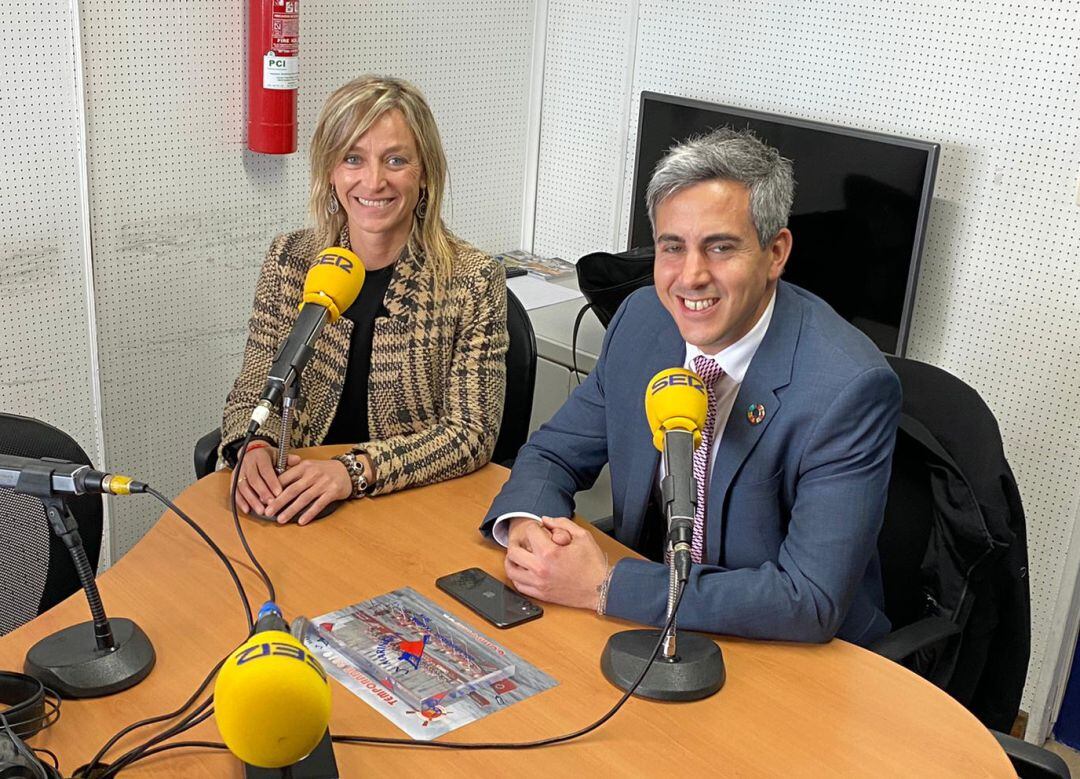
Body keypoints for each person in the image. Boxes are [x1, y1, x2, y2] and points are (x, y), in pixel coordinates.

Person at [481, 128, 901, 646]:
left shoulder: (847, 388)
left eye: (720, 248)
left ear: (775, 253)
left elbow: (810, 599)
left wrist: (606, 585)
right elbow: (553, 454)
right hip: (646, 627)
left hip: (782, 649)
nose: (691, 276)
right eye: (672, 248)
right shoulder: (641, 322)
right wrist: (527, 525)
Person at [221, 75, 508, 526]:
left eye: (395, 160)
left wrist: (354, 471)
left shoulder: (471, 279)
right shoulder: (290, 260)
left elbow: (471, 434)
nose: (373, 181)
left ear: (425, 172)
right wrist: (251, 445)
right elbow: (255, 391)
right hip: (295, 499)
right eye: (353, 159)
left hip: (405, 506)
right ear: (330, 172)